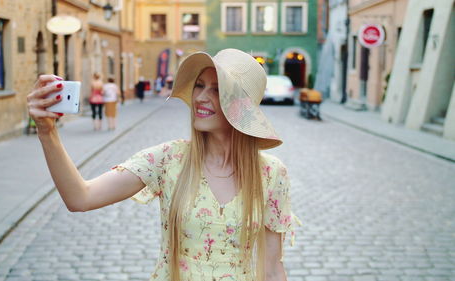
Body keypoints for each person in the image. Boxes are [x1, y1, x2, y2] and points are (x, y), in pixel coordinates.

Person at [27, 49, 300, 281]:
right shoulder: (168, 159)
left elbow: (272, 267)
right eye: (199, 85)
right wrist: (46, 131)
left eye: (217, 90)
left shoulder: (271, 173)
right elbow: (81, 197)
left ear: (241, 108)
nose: (201, 97)